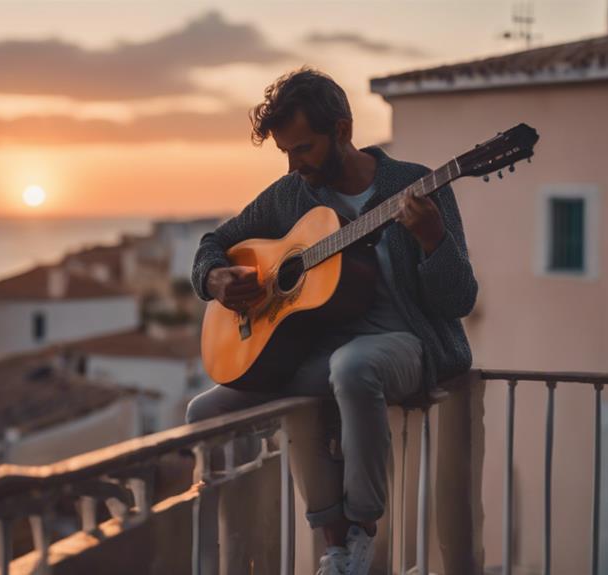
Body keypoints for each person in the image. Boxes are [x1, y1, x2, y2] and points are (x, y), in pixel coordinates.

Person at [186, 67, 478, 575]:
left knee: (352, 366)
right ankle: (227, 554)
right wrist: (215, 280)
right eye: (286, 153)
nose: (295, 164)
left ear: (342, 129)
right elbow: (214, 242)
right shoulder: (293, 196)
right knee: (203, 412)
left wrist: (434, 241)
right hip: (318, 356)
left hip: (406, 343)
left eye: (303, 148)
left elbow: (459, 300)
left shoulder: (413, 185)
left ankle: (360, 531)